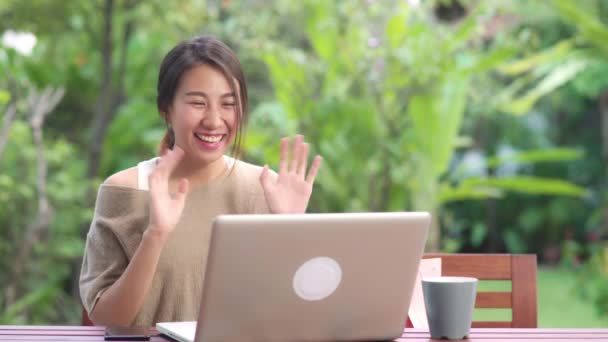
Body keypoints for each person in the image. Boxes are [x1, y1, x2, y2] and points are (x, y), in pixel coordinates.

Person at [79, 35, 322, 326]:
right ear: (166, 109)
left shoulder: (267, 188)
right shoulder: (127, 189)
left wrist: (289, 229)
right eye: (198, 103)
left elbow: (290, 317)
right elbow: (106, 318)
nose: (214, 121)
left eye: (228, 104)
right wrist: (155, 234)